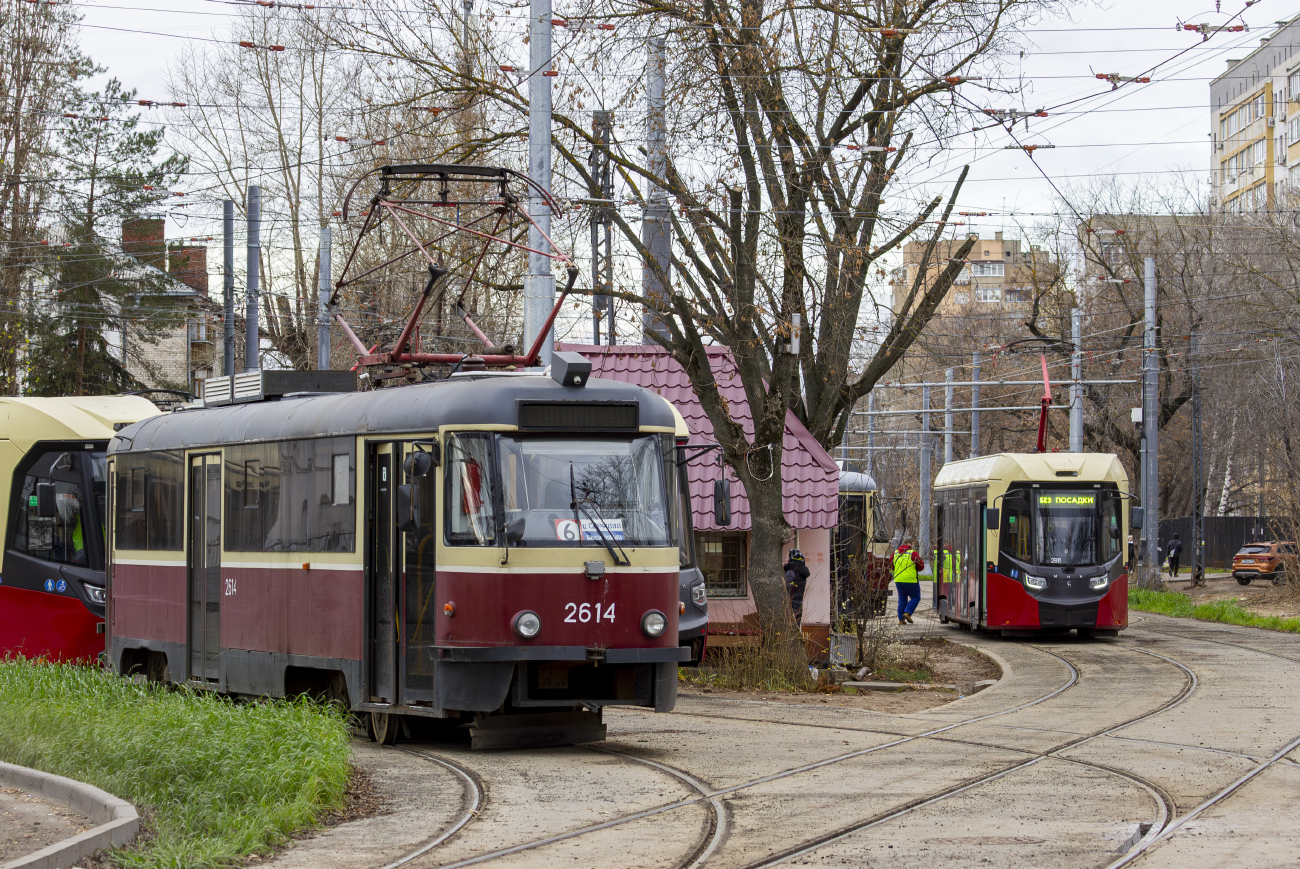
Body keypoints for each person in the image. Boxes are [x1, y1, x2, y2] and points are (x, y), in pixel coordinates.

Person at [893, 542, 924, 625]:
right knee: (916, 597)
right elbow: (921, 566)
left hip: (898, 580)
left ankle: (901, 620)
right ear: (909, 545)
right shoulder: (912, 553)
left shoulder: (895, 553)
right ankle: (907, 613)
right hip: (910, 580)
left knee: (902, 599)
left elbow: (892, 566)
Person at [784, 549, 810, 623]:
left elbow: (786, 589)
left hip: (790, 607)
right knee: (795, 630)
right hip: (798, 607)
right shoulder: (801, 572)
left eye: (786, 557)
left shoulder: (790, 572)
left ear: (791, 559)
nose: (785, 559)